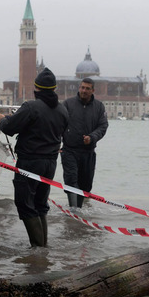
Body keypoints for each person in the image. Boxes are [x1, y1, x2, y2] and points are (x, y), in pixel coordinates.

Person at [0, 67, 68, 247]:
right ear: (54, 89)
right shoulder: (63, 110)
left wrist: (2, 120)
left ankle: (37, 250)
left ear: (36, 89)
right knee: (40, 204)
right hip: (50, 164)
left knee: (25, 204)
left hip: (29, 163)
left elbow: (10, 128)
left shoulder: (30, 107)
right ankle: (43, 248)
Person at [61, 77, 108, 208]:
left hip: (88, 152)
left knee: (85, 185)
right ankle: (73, 210)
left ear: (93, 90)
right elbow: (58, 124)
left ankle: (79, 210)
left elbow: (103, 126)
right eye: (82, 87)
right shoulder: (68, 104)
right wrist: (55, 144)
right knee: (71, 181)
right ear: (79, 88)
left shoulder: (99, 107)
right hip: (69, 150)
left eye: (87, 88)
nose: (84, 91)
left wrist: (92, 137)